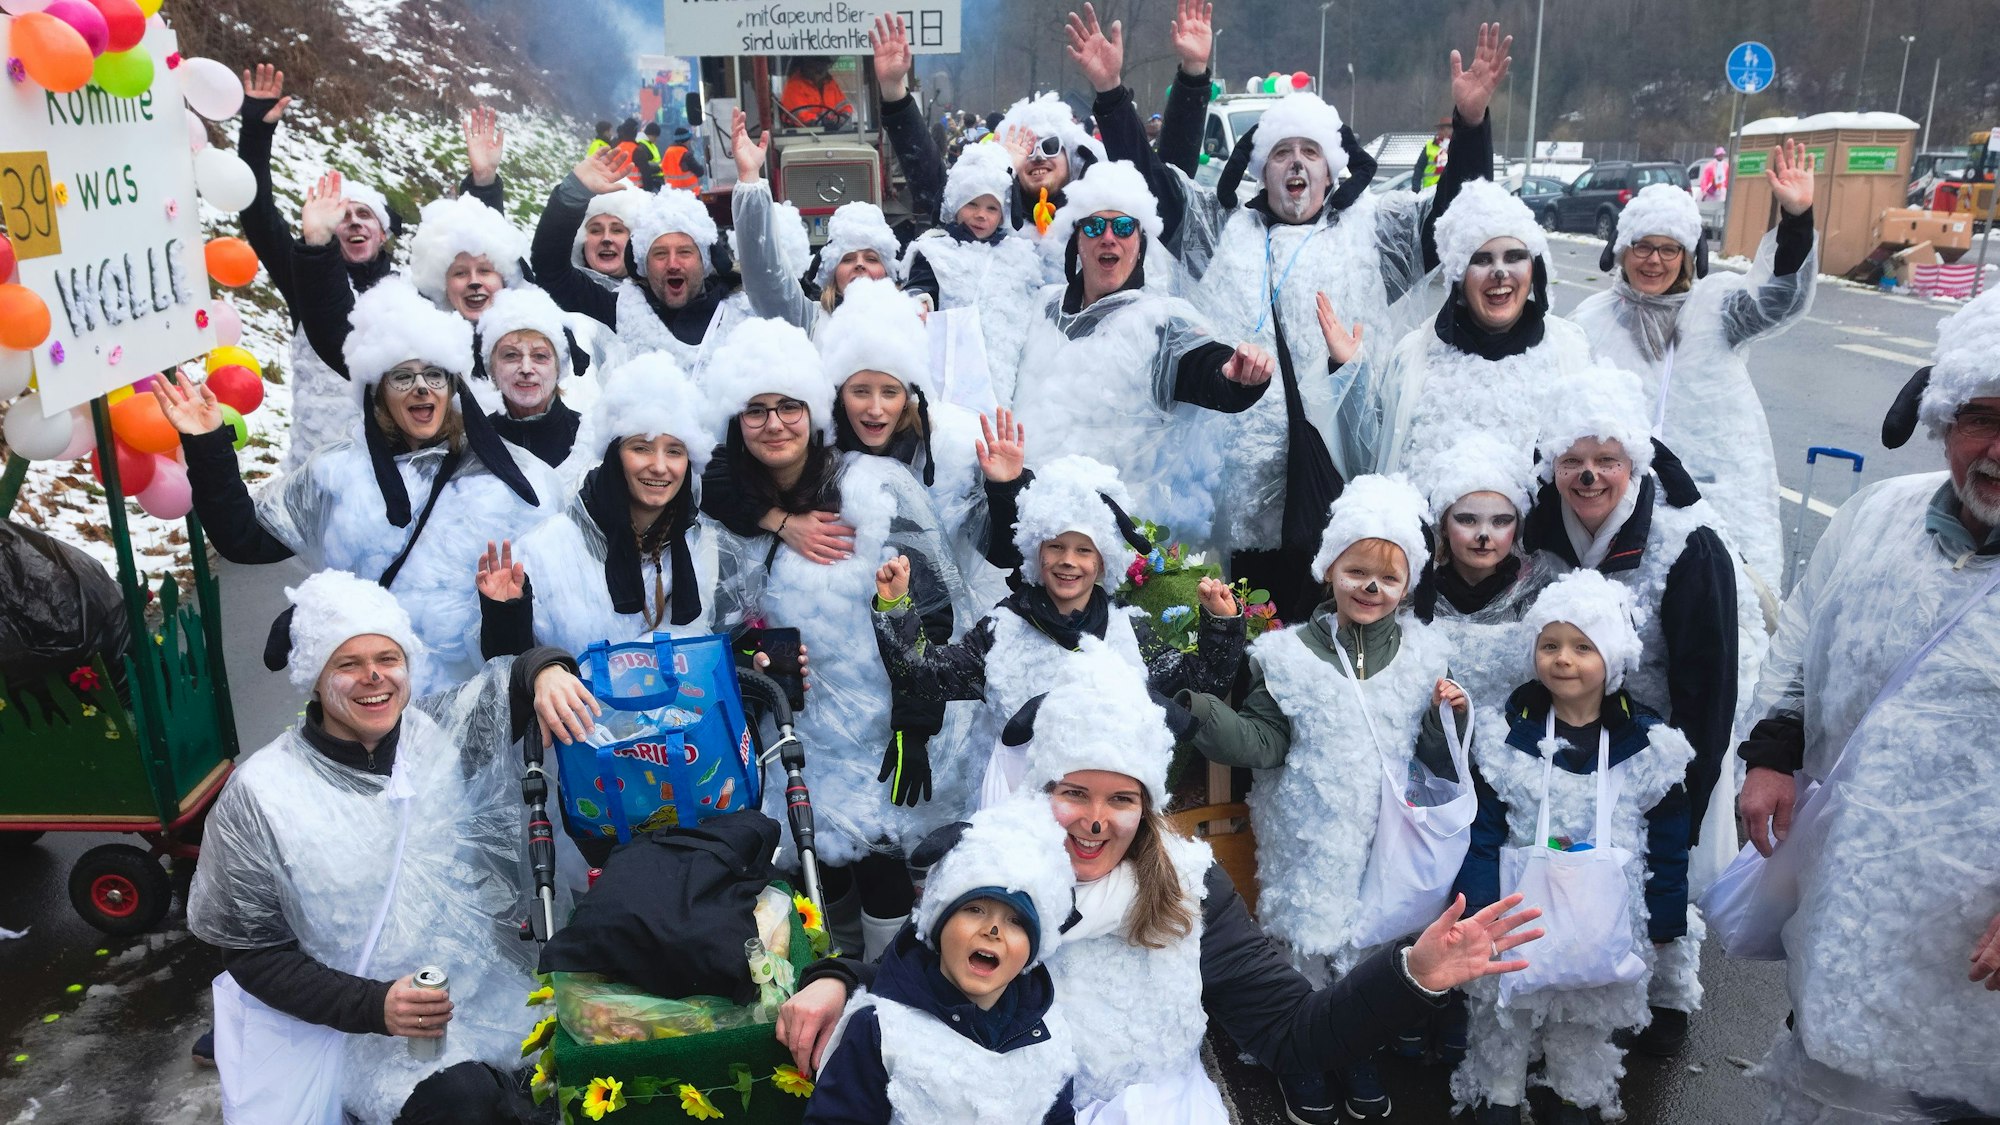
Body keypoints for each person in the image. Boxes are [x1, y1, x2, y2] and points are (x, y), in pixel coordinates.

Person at [779, 651, 1546, 1125]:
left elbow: (1294, 1033)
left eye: (1122, 798)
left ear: (1147, 806)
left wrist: (1413, 972)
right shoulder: (996, 872)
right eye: (1073, 792)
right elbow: (925, 972)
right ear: (1039, 786)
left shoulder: (1187, 887)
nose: (1094, 820)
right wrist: (835, 978)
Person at [1085, 5, 1509, 608]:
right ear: (1261, 168)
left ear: (1333, 170)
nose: (1297, 164)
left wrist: (1470, 124)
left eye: (1311, 152)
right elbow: (1148, 184)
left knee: (1330, 637)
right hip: (1238, 501)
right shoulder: (1220, 229)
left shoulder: (1372, 233)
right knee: (1246, 638)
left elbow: (1457, 221)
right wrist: (1113, 94)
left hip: (1340, 488)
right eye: (1283, 152)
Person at [187, 569, 598, 1124]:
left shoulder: (436, 732)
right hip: (356, 1033)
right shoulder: (262, 796)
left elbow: (514, 684)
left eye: (388, 657)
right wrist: (374, 1006)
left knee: (577, 1071)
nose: (373, 678)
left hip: (481, 997)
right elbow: (252, 954)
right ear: (314, 676)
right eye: (347, 664)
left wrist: (547, 670)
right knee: (466, 1105)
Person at [1735, 291, 2000, 1124]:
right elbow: (1804, 632)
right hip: (1848, 886)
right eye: (1979, 417)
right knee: (1827, 1055)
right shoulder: (1879, 517)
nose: (1995, 448)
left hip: (1975, 952)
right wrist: (1772, 753)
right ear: (1940, 418)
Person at [1178, 473, 1467, 1121]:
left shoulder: (1426, 657)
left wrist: (1451, 718)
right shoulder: (1285, 658)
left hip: (1382, 837)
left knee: (1366, 943)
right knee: (1303, 941)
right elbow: (1261, 740)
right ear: (1329, 568)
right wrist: (1199, 711)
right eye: (1357, 570)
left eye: (1388, 578)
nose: (1371, 586)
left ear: (1409, 585)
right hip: (1304, 835)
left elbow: (1434, 761)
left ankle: (1354, 1040)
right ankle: (1303, 1049)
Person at [701, 317, 968, 961]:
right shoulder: (727, 497)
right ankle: (834, 975)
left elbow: (933, 612)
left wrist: (915, 718)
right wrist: (776, 523)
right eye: (756, 410)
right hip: (786, 728)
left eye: (790, 406)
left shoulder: (871, 486)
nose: (775, 424)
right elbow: (716, 614)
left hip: (877, 727)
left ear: (814, 411)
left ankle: (888, 985)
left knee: (880, 867)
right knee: (812, 864)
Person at [161, 280, 559, 693]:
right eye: (402, 377)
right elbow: (243, 539)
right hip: (366, 696)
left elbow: (551, 601)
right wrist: (208, 445)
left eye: (434, 375)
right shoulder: (339, 473)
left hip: (475, 701)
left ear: (452, 388)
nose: (421, 388)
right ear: (379, 393)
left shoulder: (508, 479)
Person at [1522, 367, 1746, 1053]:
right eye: (1574, 462)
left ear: (1634, 462)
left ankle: (1671, 988)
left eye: (1607, 461)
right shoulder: (1537, 530)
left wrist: (1695, 776)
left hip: (1663, 732)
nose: (1589, 477)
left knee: (1662, 860)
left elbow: (1709, 679)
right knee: (1584, 858)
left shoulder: (1687, 544)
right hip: (1576, 725)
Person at [1452, 570, 1695, 1125]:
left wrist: (1665, 919)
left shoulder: (1648, 747)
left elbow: (1668, 843)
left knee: (1587, 1009)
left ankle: (1576, 1091)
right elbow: (1484, 830)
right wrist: (1480, 906)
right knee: (1503, 1006)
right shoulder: (1503, 736)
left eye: (1583, 647)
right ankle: (1500, 1089)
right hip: (1514, 910)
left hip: (1604, 913)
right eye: (1551, 645)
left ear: (1614, 658)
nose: (1564, 659)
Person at [876, 452, 1244, 809]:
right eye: (1056, 546)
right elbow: (925, 675)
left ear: (1103, 562)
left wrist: (1221, 624)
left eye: (1084, 549)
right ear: (1037, 553)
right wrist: (895, 608)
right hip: (1017, 813)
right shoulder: (1003, 630)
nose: (1068, 560)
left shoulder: (1128, 630)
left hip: (1104, 816)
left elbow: (1203, 680)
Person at [1571, 140, 1818, 588]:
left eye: (1670, 249)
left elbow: (1779, 299)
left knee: (1719, 619)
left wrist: (1797, 221)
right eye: (1643, 246)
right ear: (1622, 250)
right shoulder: (1590, 321)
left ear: (1689, 257)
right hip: (1615, 504)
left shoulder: (1718, 308)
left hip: (1713, 499)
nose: (1655, 260)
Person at [235, 67, 506, 471]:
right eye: (343, 216)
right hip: (320, 468)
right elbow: (258, 216)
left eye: (365, 215)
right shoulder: (304, 279)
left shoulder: (415, 292)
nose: (355, 222)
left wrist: (483, 182)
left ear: (382, 234)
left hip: (404, 465)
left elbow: (474, 260)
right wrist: (256, 131)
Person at [1009, 158, 1277, 550]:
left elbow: (1202, 365)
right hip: (1039, 528)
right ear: (1077, 241)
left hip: (1120, 541)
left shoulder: (1160, 320)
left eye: (1122, 227)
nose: (1108, 238)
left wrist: (1234, 376)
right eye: (1094, 226)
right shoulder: (1042, 307)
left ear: (1139, 244)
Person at [804, 799, 1081, 1125]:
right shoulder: (882, 1030)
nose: (992, 930)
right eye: (974, 909)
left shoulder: (1048, 1033)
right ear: (937, 923)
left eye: (1016, 921)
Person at [476, 352, 731, 659]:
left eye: (674, 452)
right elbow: (506, 670)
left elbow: (708, 646)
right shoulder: (543, 550)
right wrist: (505, 616)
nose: (660, 467)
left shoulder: (698, 542)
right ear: (614, 456)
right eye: (641, 448)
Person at [1362, 177, 1590, 480]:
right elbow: (1371, 458)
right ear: (1458, 277)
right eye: (1481, 260)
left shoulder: (1569, 349)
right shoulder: (1414, 357)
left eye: (1514, 257)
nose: (1499, 272)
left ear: (1535, 269)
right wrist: (1345, 370)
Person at [872, 16, 1045, 385]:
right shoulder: (939, 248)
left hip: (1017, 389)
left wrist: (1008, 172)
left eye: (992, 207)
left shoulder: (1024, 251)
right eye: (973, 205)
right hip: (952, 388)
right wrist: (894, 91)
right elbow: (927, 172)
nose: (981, 216)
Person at [1412, 433, 1553, 708]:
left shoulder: (1540, 601)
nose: (1483, 535)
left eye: (1501, 521)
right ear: (1443, 525)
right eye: (1467, 520)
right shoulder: (1414, 599)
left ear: (1517, 528)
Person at [730, 109, 904, 330]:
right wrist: (750, 179)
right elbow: (767, 281)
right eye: (847, 259)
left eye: (871, 259)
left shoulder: (910, 321)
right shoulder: (810, 322)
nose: (859, 264)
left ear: (888, 272)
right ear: (832, 275)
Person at [472, 286, 592, 471]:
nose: (526, 369)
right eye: (511, 355)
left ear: (558, 368)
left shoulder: (589, 439)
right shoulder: (475, 442)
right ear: (492, 368)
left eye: (540, 356)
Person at [781, 57, 855, 127]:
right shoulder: (794, 86)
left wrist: (842, 118)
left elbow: (845, 107)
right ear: (805, 65)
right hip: (801, 135)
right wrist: (822, 121)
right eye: (815, 65)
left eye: (823, 64)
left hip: (832, 133)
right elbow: (800, 115)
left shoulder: (830, 84)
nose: (820, 69)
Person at [659, 125, 705, 191]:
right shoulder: (686, 154)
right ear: (685, 141)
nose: (689, 142)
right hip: (689, 194)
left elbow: (662, 169)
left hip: (672, 194)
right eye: (689, 140)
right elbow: (700, 172)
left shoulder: (668, 152)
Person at [1416, 118, 1453, 189]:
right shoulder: (1430, 145)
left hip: (1449, 189)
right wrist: (1416, 188)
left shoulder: (1457, 146)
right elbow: (1419, 168)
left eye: (1443, 129)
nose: (1440, 131)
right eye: (1440, 129)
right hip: (1430, 190)